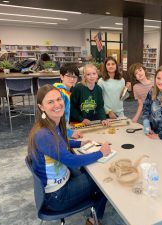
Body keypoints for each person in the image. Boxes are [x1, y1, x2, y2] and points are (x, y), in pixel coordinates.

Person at [28, 84, 111, 225]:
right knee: (104, 181)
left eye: (59, 99)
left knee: (90, 171)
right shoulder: (43, 134)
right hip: (57, 197)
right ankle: (93, 219)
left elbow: (60, 142)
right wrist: (100, 153)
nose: (57, 104)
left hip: (61, 182)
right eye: (50, 102)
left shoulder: (51, 124)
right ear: (41, 107)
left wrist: (79, 144)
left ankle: (92, 207)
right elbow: (71, 161)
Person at [53, 63, 82, 139]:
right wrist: (69, 133)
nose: (72, 79)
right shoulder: (60, 93)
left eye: (74, 77)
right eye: (68, 76)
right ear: (61, 76)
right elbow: (56, 118)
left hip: (61, 129)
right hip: (55, 133)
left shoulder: (63, 90)